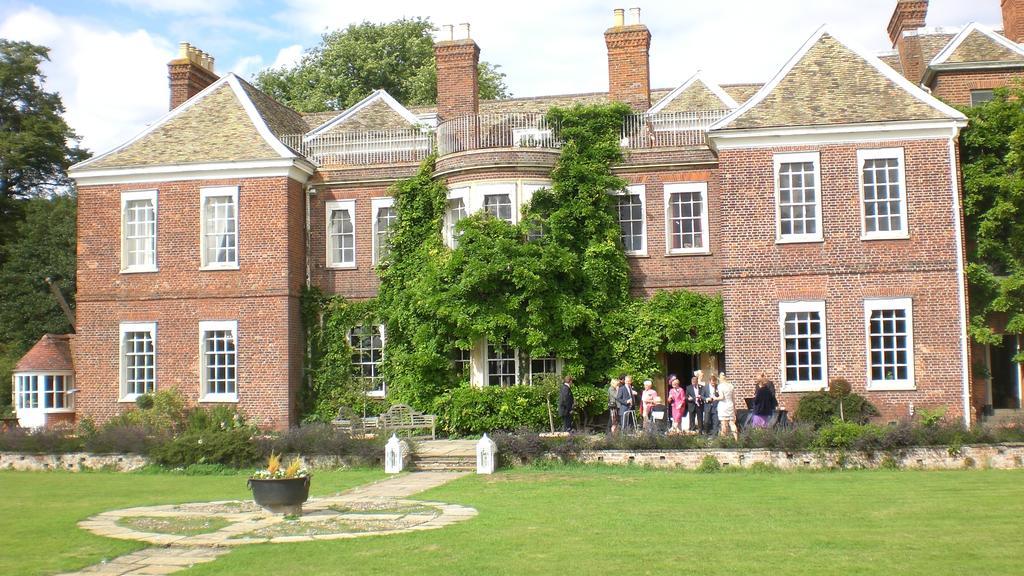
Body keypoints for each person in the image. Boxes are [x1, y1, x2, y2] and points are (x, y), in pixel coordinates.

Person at [714, 372, 738, 441]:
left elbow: (721, 397)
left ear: (720, 379)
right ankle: (736, 440)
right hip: (730, 405)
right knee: (732, 423)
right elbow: (733, 398)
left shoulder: (720, 386)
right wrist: (734, 407)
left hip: (723, 406)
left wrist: (715, 398)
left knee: (723, 423)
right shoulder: (731, 386)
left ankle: (723, 441)